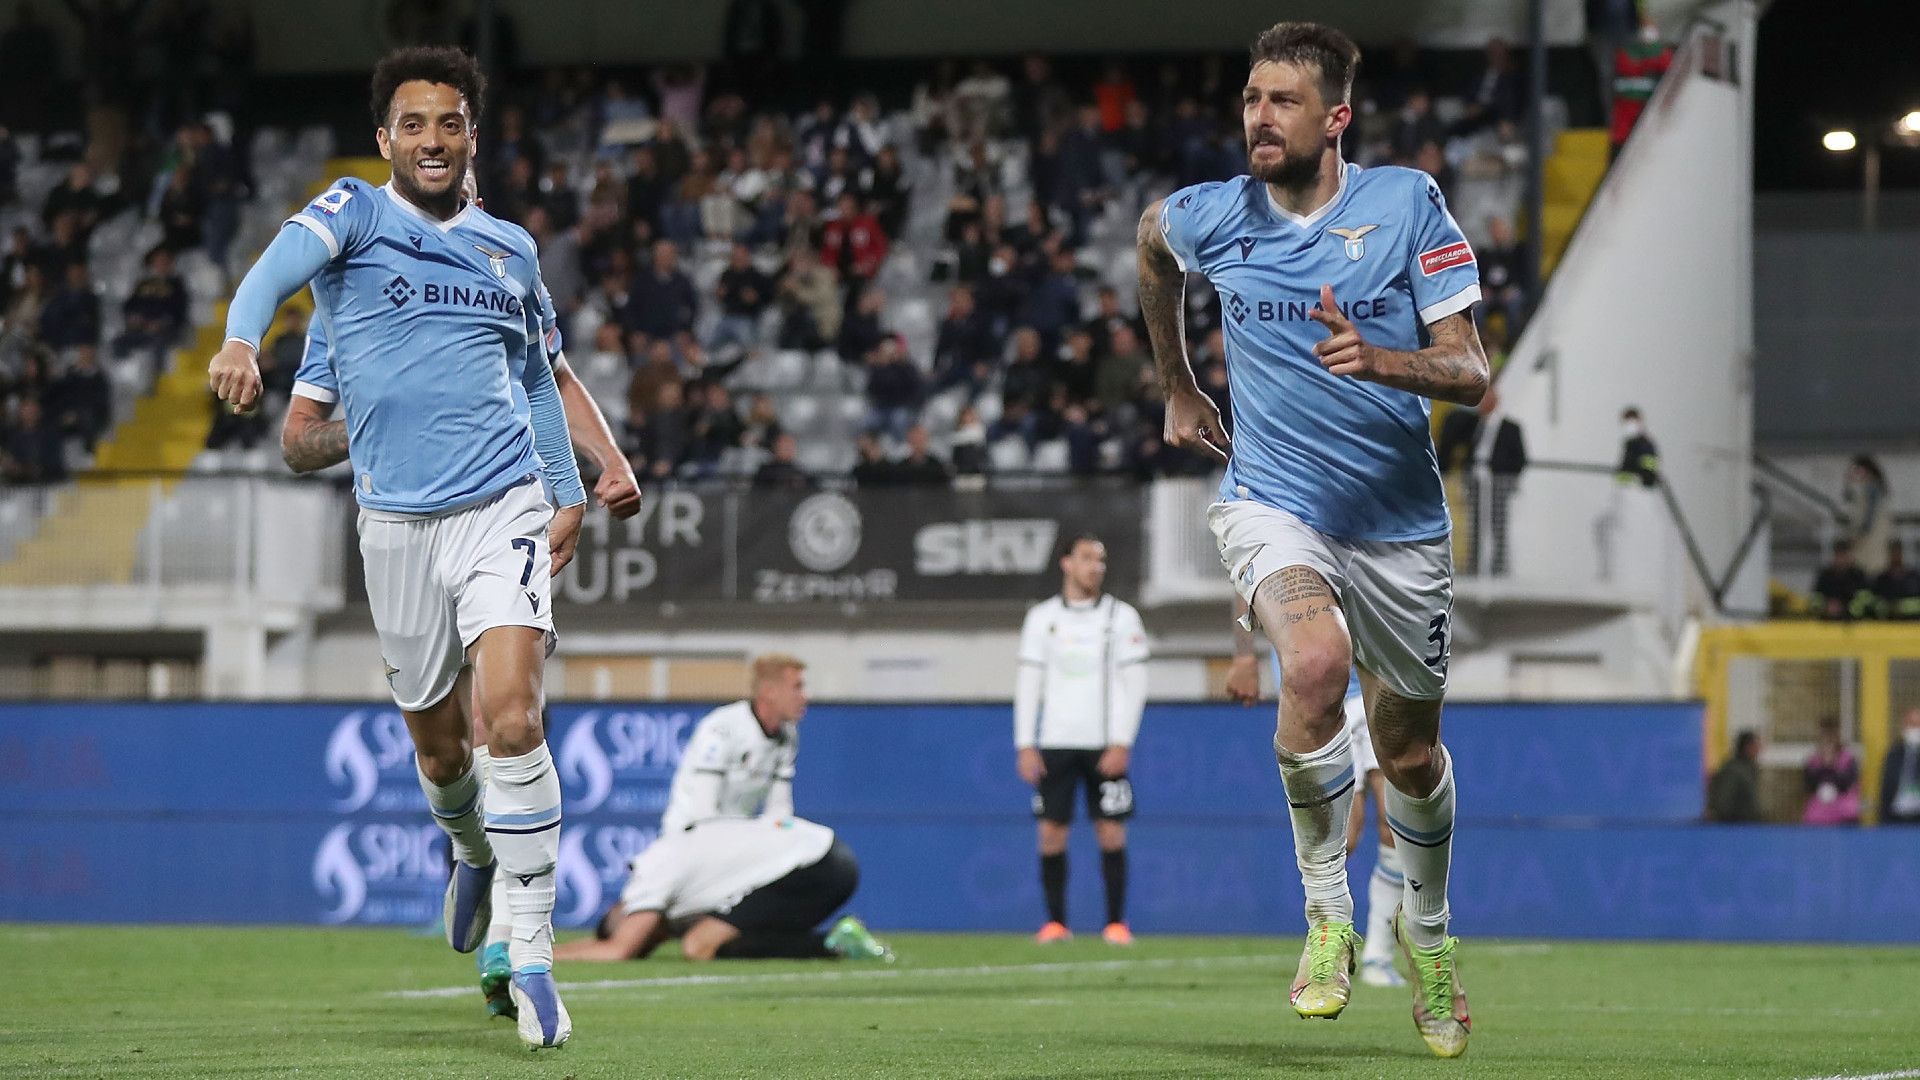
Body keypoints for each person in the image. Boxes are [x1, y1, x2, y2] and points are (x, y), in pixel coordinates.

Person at [207, 47, 585, 1050]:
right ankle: (469, 851)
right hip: (396, 528)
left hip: (499, 507)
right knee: (441, 746)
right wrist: (244, 337)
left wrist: (568, 490)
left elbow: (541, 378)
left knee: (513, 716)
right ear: (384, 141)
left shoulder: (511, 247)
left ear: (473, 136)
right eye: (412, 125)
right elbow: (272, 273)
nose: (431, 140)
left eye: (448, 124)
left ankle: (537, 954)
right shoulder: (353, 218)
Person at [1137, 22, 1490, 1056]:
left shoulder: (1406, 204)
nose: (1259, 116)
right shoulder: (1212, 214)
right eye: (1251, 97)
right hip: (1272, 498)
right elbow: (1154, 243)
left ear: (1335, 117)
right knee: (1314, 665)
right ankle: (1329, 914)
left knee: (1409, 752)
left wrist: (1379, 361)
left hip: (1398, 527)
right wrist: (1177, 383)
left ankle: (1427, 937)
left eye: (1282, 101)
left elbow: (1469, 370)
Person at [1224, 601, 1405, 989]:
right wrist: (1244, 654)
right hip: (1319, 695)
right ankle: (1331, 934)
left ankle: (1378, 954)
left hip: (1377, 684)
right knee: (1345, 836)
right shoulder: (1283, 546)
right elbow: (1246, 583)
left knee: (1395, 826)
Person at [1014, 535, 1149, 946]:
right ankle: (1055, 923)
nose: (1097, 567)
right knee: (1051, 833)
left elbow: (1136, 682)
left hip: (1103, 742)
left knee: (1110, 831)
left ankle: (1115, 923)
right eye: (1088, 558)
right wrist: (1025, 742)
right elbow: (1028, 682)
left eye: (1102, 560)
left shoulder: (1120, 617)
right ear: (1067, 563)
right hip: (1055, 740)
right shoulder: (1042, 618)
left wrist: (1122, 741)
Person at [555, 816, 890, 963]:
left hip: (816, 864)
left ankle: (833, 945)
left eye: (637, 929)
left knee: (700, 944)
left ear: (622, 909)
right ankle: (835, 944)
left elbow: (617, 951)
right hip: (825, 857)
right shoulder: (677, 878)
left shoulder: (649, 872)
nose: (653, 937)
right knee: (710, 937)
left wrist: (536, 958)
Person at [1801, 718, 1861, 826]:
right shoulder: (1813, 760)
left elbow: (1847, 783)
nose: (1827, 740)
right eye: (1824, 736)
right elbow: (1809, 784)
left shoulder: (1848, 759)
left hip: (1844, 813)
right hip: (1818, 815)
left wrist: (1832, 767)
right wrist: (1823, 766)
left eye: (1830, 736)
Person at [1844, 456, 1891, 578]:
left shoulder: (1872, 488)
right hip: (1870, 537)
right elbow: (1847, 497)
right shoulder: (1868, 488)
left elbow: (1869, 515)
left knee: (1868, 567)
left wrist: (1860, 533)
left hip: (1868, 537)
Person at [1706, 730, 1763, 823]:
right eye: (1756, 746)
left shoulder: (1748, 769)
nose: (1759, 750)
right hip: (1735, 828)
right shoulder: (1734, 770)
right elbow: (1723, 802)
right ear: (1747, 747)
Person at [1878, 708, 1920, 825]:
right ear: (1904, 727)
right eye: (1911, 724)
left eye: (1917, 725)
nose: (1915, 729)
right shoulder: (1894, 753)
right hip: (1897, 817)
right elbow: (1886, 788)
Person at [1812, 540, 1870, 622]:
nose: (1840, 558)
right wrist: (1826, 605)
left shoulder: (1858, 576)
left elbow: (1865, 600)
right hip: (1826, 623)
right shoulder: (1825, 575)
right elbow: (1816, 598)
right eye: (1838, 554)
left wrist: (1844, 607)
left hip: (1854, 624)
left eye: (1843, 554)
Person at [1872, 541, 1920, 620]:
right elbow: (1874, 602)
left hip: (1912, 624)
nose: (1896, 556)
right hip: (1887, 625)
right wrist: (1888, 607)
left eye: (1898, 552)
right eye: (1893, 552)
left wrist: (1903, 607)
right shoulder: (1881, 579)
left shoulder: (1914, 577)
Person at [1614, 407, 1659, 486]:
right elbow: (1626, 468)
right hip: (1629, 489)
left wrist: (1647, 474)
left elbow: (1649, 464)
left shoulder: (1644, 443)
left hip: (1642, 489)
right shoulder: (1629, 444)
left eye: (1631, 422)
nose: (1629, 426)